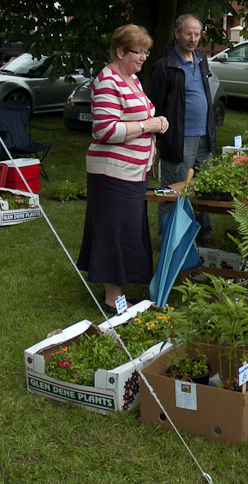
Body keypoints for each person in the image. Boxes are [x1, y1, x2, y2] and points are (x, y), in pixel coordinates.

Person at [77, 24, 169, 313]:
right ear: (120, 51)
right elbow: (104, 130)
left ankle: (121, 290)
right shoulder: (107, 81)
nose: (143, 58)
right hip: (112, 173)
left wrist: (157, 123)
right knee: (113, 232)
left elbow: (138, 116)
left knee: (128, 231)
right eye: (138, 52)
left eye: (146, 52)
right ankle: (112, 297)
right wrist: (148, 125)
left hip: (133, 172)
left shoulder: (131, 79)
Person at [148, 13, 217, 246]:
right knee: (172, 191)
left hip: (204, 137)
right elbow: (154, 106)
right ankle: (170, 240)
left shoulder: (200, 59)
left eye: (197, 34)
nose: (193, 38)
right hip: (179, 138)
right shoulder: (164, 65)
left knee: (203, 187)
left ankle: (202, 236)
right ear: (177, 33)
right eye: (188, 33)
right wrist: (160, 139)